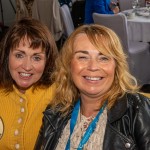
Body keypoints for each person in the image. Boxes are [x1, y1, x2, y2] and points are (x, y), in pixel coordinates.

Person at [34, 24, 150, 149]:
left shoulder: (137, 111)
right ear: (69, 65)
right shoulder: (55, 112)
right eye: (83, 57)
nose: (93, 67)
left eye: (103, 58)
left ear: (116, 67)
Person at [0, 17, 58, 149]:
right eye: (19, 55)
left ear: (47, 61)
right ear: (7, 55)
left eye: (37, 57)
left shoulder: (57, 93)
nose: (27, 66)